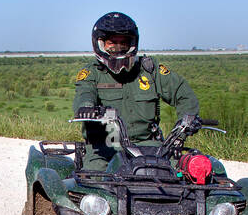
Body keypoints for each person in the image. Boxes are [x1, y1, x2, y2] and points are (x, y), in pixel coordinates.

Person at [72, 12, 201, 170]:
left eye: (124, 42)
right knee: (93, 181)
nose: (118, 47)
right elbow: (84, 95)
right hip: (106, 148)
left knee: (186, 174)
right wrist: (86, 108)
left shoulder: (149, 70)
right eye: (112, 42)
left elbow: (183, 94)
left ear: (132, 43)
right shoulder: (92, 74)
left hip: (150, 146)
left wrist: (186, 122)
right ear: (100, 43)